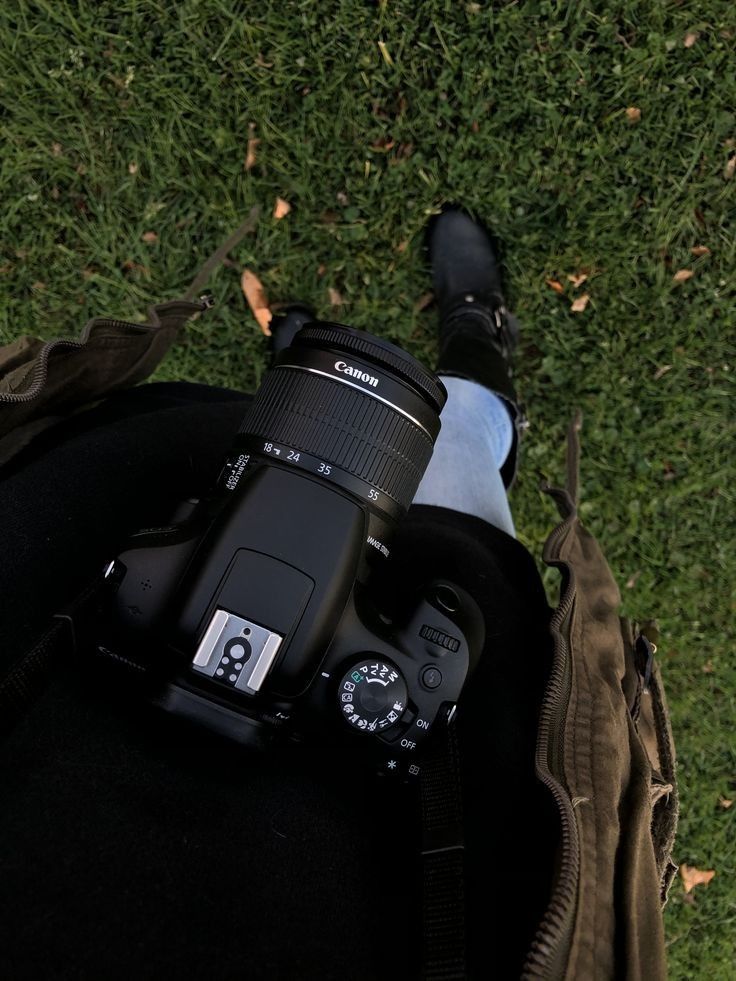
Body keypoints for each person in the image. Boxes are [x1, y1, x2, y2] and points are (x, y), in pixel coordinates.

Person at [0, 210, 676, 979]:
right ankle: (475, 349)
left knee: (190, 426)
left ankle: (305, 376)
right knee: (456, 449)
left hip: (64, 612)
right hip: (430, 855)